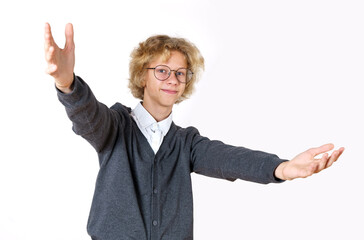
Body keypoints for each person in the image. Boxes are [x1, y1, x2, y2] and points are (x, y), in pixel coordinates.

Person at [44, 23, 344, 240]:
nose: (172, 79)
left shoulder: (186, 143)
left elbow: (230, 158)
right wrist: (67, 82)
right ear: (142, 77)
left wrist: (282, 167)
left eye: (180, 73)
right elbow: (87, 117)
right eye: (162, 70)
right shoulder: (116, 126)